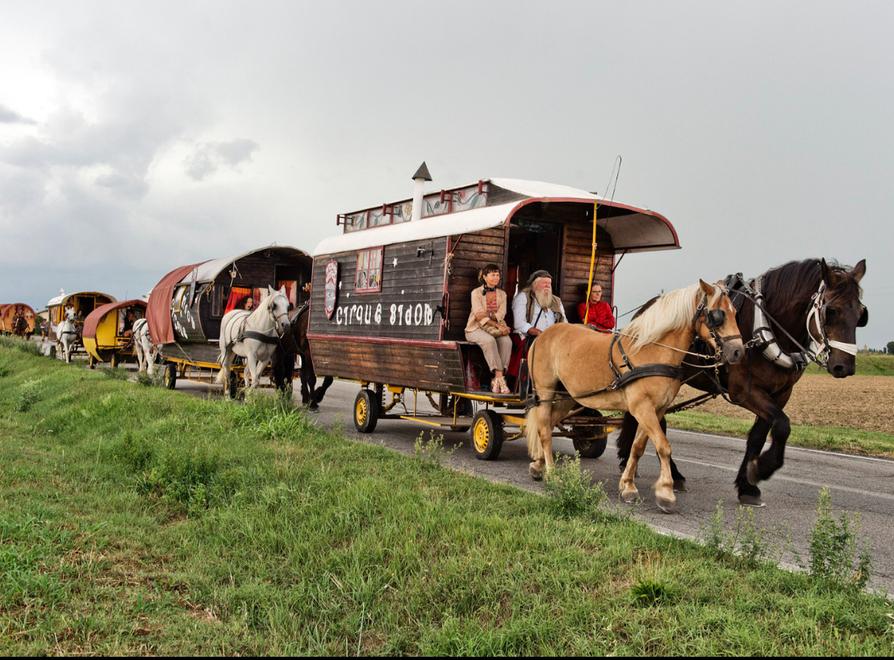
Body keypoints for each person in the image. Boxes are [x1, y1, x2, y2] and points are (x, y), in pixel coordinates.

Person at [465, 263, 512, 394]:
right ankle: (499, 378)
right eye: (493, 275)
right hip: (475, 329)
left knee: (507, 342)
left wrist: (492, 318)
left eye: (498, 275)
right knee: (489, 341)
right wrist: (496, 323)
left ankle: (497, 380)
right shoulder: (476, 293)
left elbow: (501, 314)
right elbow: (479, 315)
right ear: (485, 277)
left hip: (494, 328)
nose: (496, 277)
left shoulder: (502, 294)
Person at [511, 270, 566, 339]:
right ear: (534, 284)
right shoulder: (523, 297)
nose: (548, 285)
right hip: (531, 337)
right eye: (544, 283)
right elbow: (519, 323)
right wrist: (539, 333)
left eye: (549, 283)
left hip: (554, 338)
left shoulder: (556, 300)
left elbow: (564, 321)